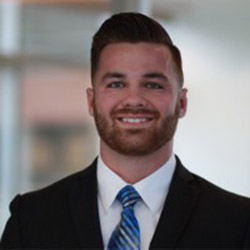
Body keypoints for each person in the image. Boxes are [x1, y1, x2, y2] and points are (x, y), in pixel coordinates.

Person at [1, 12, 250, 249]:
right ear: (91, 101)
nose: (134, 99)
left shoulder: (238, 223)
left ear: (182, 103)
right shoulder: (31, 220)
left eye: (153, 84)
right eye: (116, 84)